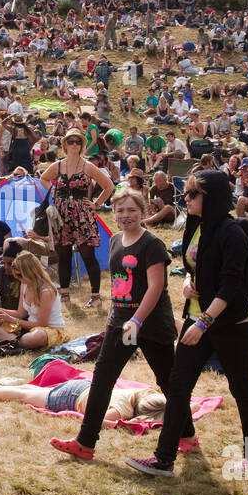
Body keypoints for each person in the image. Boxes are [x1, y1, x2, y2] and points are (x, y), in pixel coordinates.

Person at [127, 170, 248, 477]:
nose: (185, 199)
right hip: (196, 319)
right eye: (185, 194)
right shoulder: (196, 225)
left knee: (240, 387)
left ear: (211, 198)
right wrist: (188, 282)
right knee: (178, 385)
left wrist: (203, 323)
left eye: (192, 194)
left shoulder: (233, 232)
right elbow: (192, 265)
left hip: (229, 325)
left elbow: (231, 286)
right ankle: (163, 459)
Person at [49, 188, 176, 461]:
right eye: (120, 211)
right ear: (114, 215)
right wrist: (112, 320)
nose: (126, 215)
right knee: (103, 378)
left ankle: (187, 436)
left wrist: (137, 320)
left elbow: (156, 287)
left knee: (168, 382)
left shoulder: (152, 244)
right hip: (121, 324)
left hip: (152, 326)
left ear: (142, 213)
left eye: (131, 210)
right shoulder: (116, 240)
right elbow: (118, 287)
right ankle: (85, 443)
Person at [39, 128, 113, 308]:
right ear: (65, 144)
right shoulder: (58, 165)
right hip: (62, 216)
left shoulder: (88, 166)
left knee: (88, 255)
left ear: (82, 145)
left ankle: (95, 297)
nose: (74, 144)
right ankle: (64, 294)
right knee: (63, 255)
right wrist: (55, 191)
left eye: (78, 141)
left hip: (82, 216)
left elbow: (109, 186)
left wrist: (95, 204)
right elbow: (43, 178)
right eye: (71, 141)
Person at [0, 377, 167, 426]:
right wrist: (127, 424)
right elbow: (102, 422)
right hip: (73, 398)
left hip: (83, 386)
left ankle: (0, 389)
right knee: (25, 397)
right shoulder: (123, 409)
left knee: (38, 391)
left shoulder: (142, 392)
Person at [0, 250, 69, 350]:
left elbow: (42, 324)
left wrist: (12, 320)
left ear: (30, 273)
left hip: (48, 330)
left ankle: (15, 342)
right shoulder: (24, 284)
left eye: (19, 275)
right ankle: (17, 343)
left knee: (37, 336)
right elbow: (21, 313)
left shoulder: (46, 291)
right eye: (16, 275)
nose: (18, 278)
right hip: (28, 327)